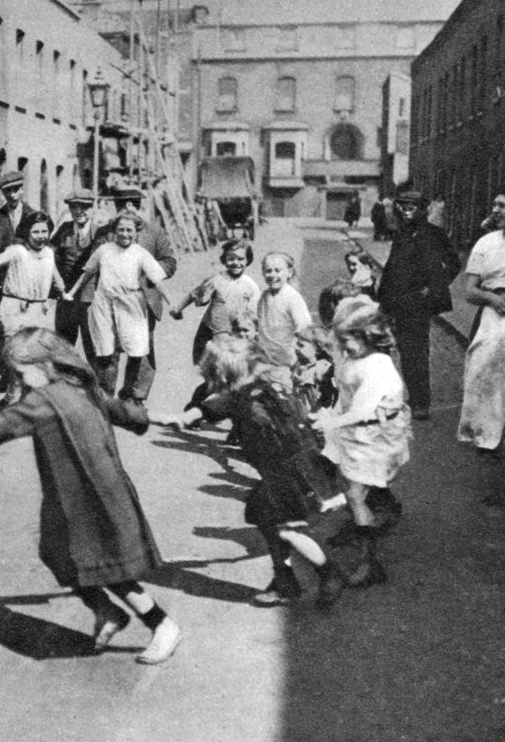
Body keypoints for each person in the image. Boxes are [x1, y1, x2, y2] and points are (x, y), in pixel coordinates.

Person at [0, 327, 181, 663]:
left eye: (22, 372)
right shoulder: (81, 387)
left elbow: (2, 421)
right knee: (61, 553)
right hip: (84, 495)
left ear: (44, 365)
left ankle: (162, 625)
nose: (21, 380)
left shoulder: (43, 400)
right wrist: (160, 418)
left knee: (106, 567)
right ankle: (108, 613)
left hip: (89, 497)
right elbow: (121, 411)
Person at [161, 336, 345, 609]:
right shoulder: (252, 390)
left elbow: (291, 441)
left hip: (288, 474)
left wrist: (309, 487)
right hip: (280, 472)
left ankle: (329, 574)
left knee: (288, 529)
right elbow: (217, 405)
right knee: (266, 517)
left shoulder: (255, 405)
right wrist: (192, 414)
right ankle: (284, 580)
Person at [313, 297, 411, 588]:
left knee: (354, 493)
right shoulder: (353, 355)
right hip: (355, 432)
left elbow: (365, 410)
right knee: (347, 485)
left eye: (348, 341)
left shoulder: (378, 365)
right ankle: (363, 523)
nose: (343, 347)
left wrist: (330, 422)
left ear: (367, 336)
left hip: (373, 436)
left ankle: (371, 563)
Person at [62, 211, 170, 398]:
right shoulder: (104, 250)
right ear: (114, 231)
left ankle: (130, 395)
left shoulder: (140, 253)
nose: (125, 234)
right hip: (104, 304)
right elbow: (87, 273)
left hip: (132, 304)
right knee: (105, 351)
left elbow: (158, 280)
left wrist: (173, 304)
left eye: (129, 230)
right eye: (121, 230)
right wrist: (71, 292)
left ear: (136, 232)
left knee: (136, 350)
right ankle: (105, 395)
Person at [376, 190, 460, 421]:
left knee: (416, 352)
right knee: (398, 351)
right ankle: (406, 398)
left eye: (411, 206)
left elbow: (454, 264)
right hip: (396, 301)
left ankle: (421, 403)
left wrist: (433, 288)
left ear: (422, 209)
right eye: (402, 206)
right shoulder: (402, 233)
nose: (405, 210)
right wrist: (382, 297)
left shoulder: (434, 234)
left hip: (417, 303)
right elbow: (394, 267)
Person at [97, 187, 177, 404]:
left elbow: (169, 262)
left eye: (133, 204)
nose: (127, 208)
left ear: (138, 206)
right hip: (112, 300)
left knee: (141, 350)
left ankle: (135, 396)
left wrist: (147, 273)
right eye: (121, 205)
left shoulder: (154, 232)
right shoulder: (105, 233)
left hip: (143, 299)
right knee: (110, 349)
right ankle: (106, 396)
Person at [0, 210, 64, 407]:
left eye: (45, 231)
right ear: (27, 233)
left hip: (39, 312)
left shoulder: (49, 253)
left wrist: (64, 292)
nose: (41, 236)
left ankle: (20, 398)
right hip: (13, 310)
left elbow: (55, 277)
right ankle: (12, 396)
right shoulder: (17, 251)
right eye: (36, 232)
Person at [458, 192, 505, 506]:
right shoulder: (487, 244)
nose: (497, 209)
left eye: (504, 205)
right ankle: (488, 440)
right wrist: (493, 299)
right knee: (488, 384)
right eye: (497, 204)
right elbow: (469, 291)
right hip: (496, 316)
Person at [0, 171, 35, 393]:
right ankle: (5, 376)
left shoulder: (35, 216)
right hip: (1, 284)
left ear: (22, 189)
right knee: (3, 332)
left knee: (27, 331)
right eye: (7, 191)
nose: (12, 195)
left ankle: (26, 377)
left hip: (27, 284)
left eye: (16, 189)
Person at [169, 239, 260, 366]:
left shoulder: (251, 286)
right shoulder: (216, 280)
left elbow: (254, 313)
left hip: (235, 333)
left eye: (240, 259)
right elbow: (193, 294)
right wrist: (177, 309)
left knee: (233, 367)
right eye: (231, 258)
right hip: (210, 330)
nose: (236, 263)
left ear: (247, 260)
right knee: (206, 365)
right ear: (224, 259)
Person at [52, 188, 100, 368]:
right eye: (74, 207)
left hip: (90, 299)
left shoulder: (99, 233)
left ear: (92, 208)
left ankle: (97, 390)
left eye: (84, 207)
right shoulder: (64, 230)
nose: (79, 211)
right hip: (67, 299)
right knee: (63, 346)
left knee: (93, 346)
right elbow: (50, 257)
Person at [257, 252, 312, 387]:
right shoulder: (264, 296)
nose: (273, 275)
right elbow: (261, 324)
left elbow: (304, 327)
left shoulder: (292, 297)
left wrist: (301, 356)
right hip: (268, 356)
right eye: (268, 271)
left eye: (278, 270)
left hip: (288, 358)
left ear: (289, 272)